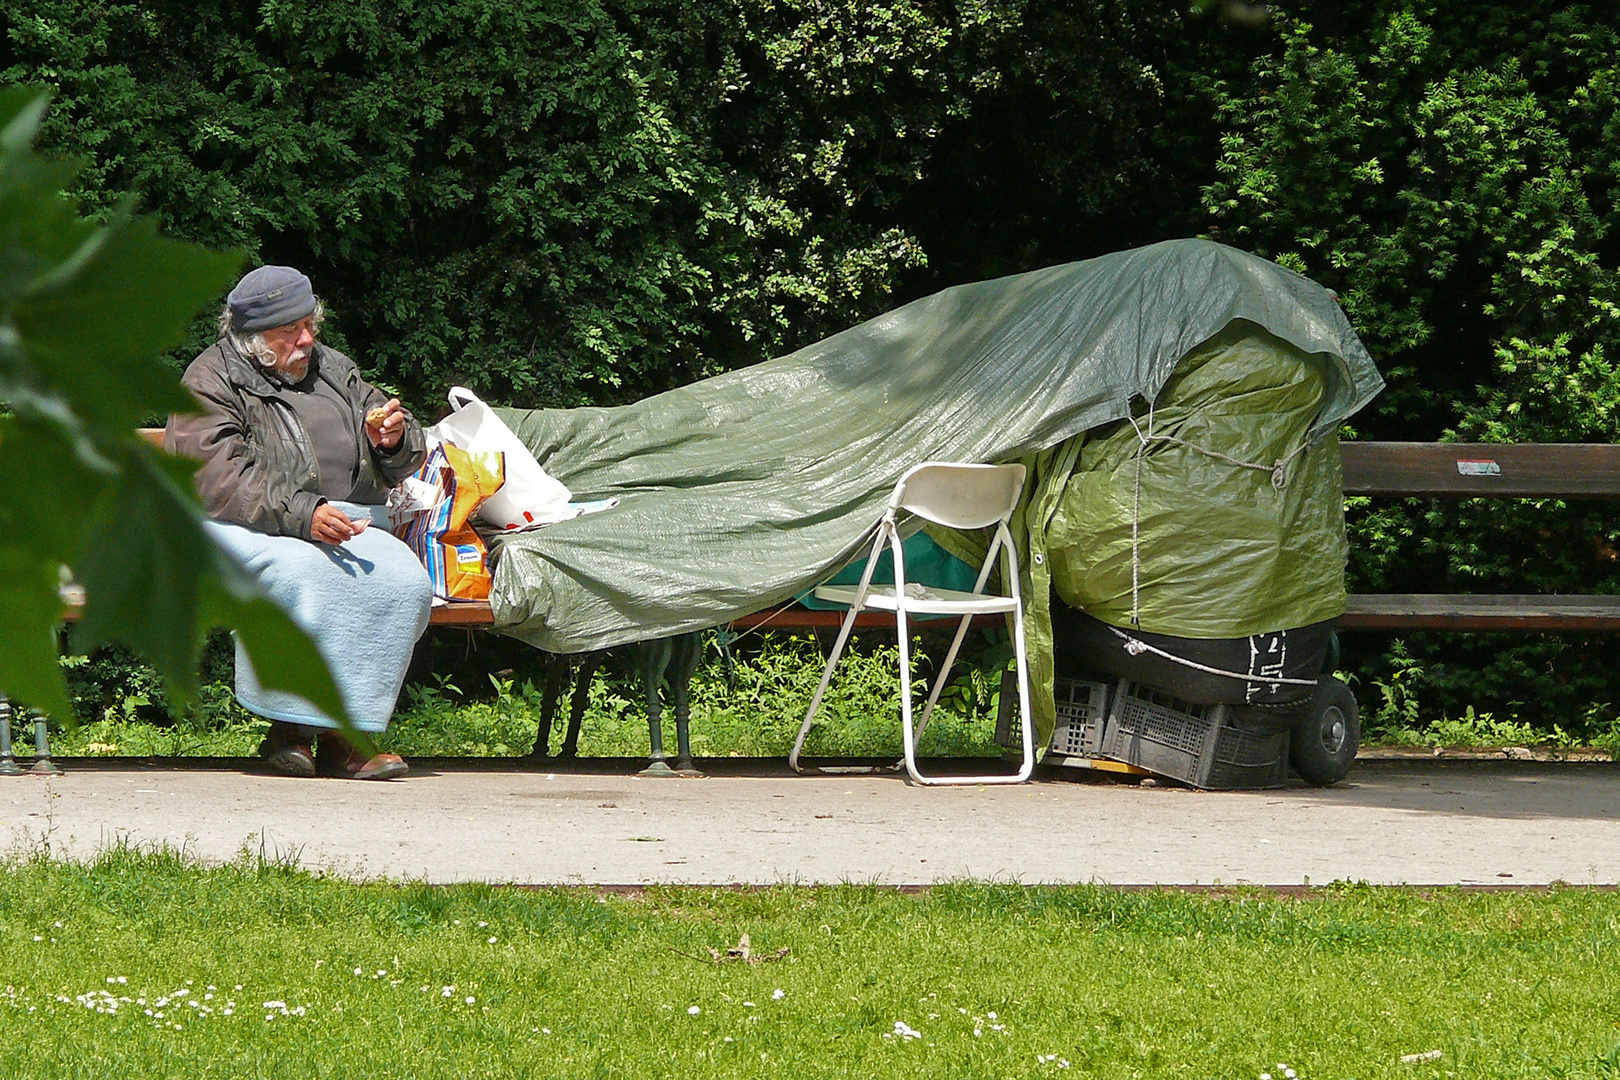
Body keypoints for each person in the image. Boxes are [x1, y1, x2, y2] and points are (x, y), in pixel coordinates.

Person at [166, 265, 433, 780]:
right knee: (304, 575)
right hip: (242, 524)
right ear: (250, 338)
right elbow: (217, 479)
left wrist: (394, 440)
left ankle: (327, 734)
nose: (306, 340)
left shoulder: (334, 369)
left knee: (403, 583)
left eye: (309, 324)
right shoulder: (209, 380)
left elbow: (402, 449)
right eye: (289, 331)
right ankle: (309, 734)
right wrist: (302, 512)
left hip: (346, 521)